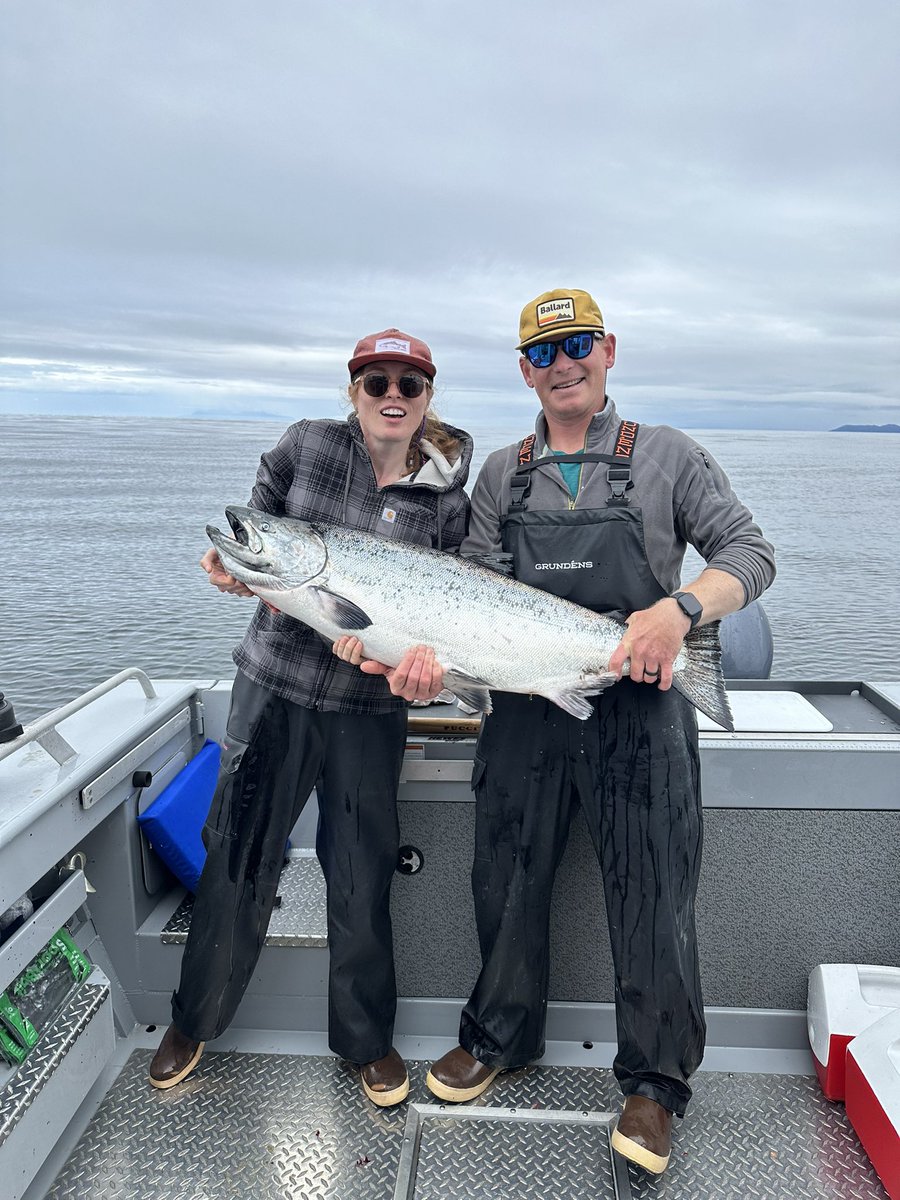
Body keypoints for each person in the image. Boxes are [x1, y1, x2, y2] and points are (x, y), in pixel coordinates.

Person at [422, 289, 776, 1174]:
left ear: (609, 350)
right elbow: (468, 591)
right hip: (523, 713)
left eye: (577, 343)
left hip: (643, 708)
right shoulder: (501, 472)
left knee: (653, 895)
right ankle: (496, 1037)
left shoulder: (666, 456)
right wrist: (426, 661)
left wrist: (680, 610)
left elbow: (751, 554)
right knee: (503, 880)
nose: (563, 363)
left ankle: (654, 1085)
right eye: (544, 353)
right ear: (523, 371)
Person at [149, 328, 472, 1107]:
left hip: (370, 710)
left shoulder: (447, 497)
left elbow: (459, 605)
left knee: (361, 878)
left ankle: (366, 1043)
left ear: (428, 397)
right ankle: (194, 1021)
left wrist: (432, 673)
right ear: (353, 389)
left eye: (408, 383)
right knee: (236, 861)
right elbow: (249, 535)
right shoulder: (306, 448)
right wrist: (230, 572)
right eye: (375, 382)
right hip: (277, 690)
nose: (392, 395)